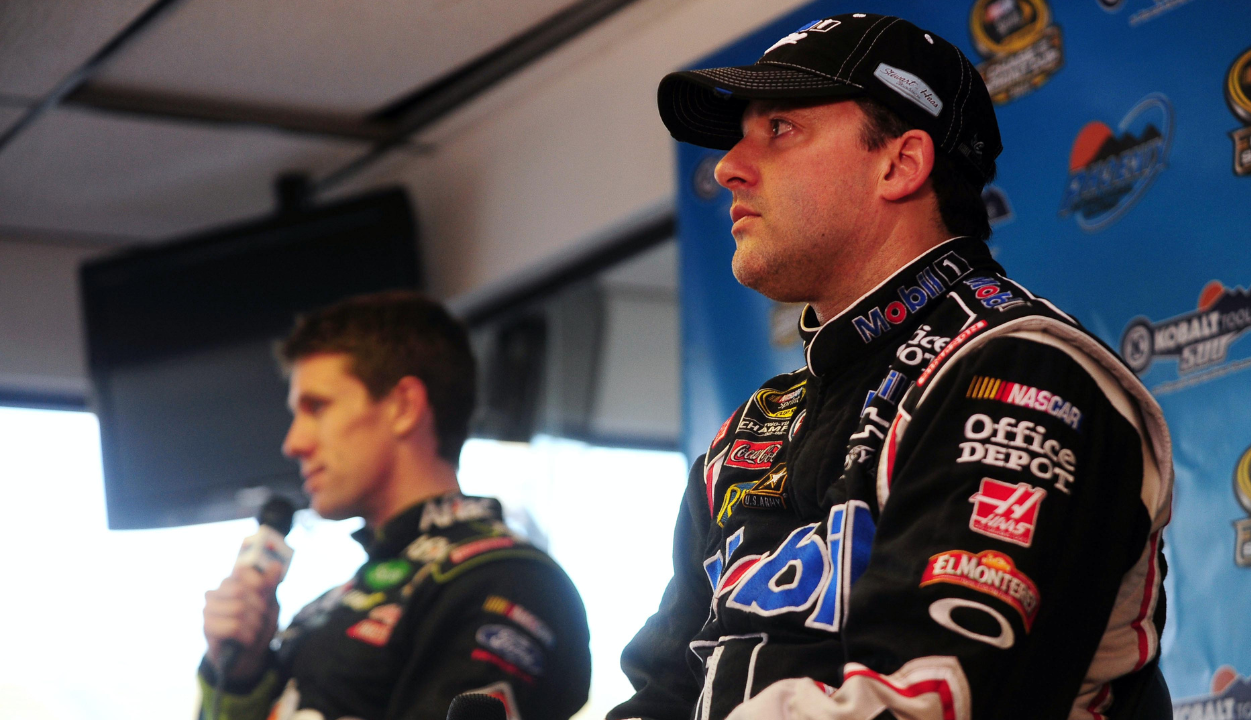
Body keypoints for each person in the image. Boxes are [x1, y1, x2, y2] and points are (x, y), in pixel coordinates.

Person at [609, 13, 1173, 720]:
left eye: (780, 129)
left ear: (900, 163)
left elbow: (929, 700)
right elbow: (661, 698)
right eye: (739, 134)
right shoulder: (750, 431)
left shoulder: (1021, 371)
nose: (727, 166)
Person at [199, 292, 591, 720]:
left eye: (318, 407)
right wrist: (243, 675)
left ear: (404, 406)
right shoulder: (333, 603)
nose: (293, 444)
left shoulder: (501, 579)